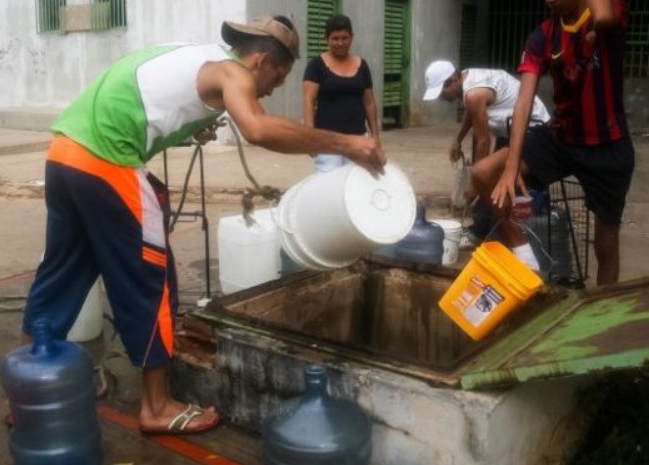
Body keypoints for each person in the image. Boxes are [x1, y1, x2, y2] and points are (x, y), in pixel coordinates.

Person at [21, 14, 385, 436]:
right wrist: (347, 142)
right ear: (261, 61)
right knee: (151, 278)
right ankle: (156, 406)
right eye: (276, 78)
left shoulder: (198, 56)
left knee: (63, 271)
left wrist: (190, 127)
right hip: (108, 162)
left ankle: (30, 394)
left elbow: (153, 100)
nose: (269, 89)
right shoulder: (234, 72)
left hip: (65, 154)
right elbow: (258, 128)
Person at [472, 0, 633, 285]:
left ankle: (603, 309)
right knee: (483, 174)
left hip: (608, 145)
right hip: (560, 139)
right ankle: (524, 253)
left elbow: (605, 16)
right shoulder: (543, 36)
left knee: (606, 245)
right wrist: (510, 167)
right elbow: (523, 102)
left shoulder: (607, 13)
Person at [422, 61, 550, 242]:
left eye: (442, 92)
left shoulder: (474, 93)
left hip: (531, 130)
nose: (442, 99)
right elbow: (472, 111)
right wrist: (458, 139)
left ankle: (497, 235)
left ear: (453, 81)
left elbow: (483, 141)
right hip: (510, 130)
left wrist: (474, 186)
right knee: (489, 183)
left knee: (489, 180)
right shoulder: (468, 78)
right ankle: (481, 231)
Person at [303, 14, 380, 172]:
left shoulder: (362, 65)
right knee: (328, 186)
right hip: (326, 141)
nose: (340, 43)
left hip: (358, 139)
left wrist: (375, 136)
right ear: (327, 39)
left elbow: (369, 103)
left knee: (356, 185)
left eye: (345, 38)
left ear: (352, 37)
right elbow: (308, 101)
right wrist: (309, 137)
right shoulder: (316, 66)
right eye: (335, 38)